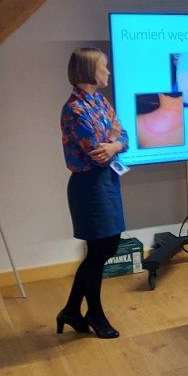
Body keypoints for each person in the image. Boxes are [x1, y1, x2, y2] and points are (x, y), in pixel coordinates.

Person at [59, 48, 128, 339]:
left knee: (107, 248)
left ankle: (71, 310)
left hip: (108, 182)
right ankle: (94, 314)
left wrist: (114, 143)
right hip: (88, 186)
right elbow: (96, 154)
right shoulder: (74, 109)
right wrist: (112, 141)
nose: (108, 72)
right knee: (98, 252)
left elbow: (124, 137)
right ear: (89, 70)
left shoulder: (100, 101)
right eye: (104, 67)